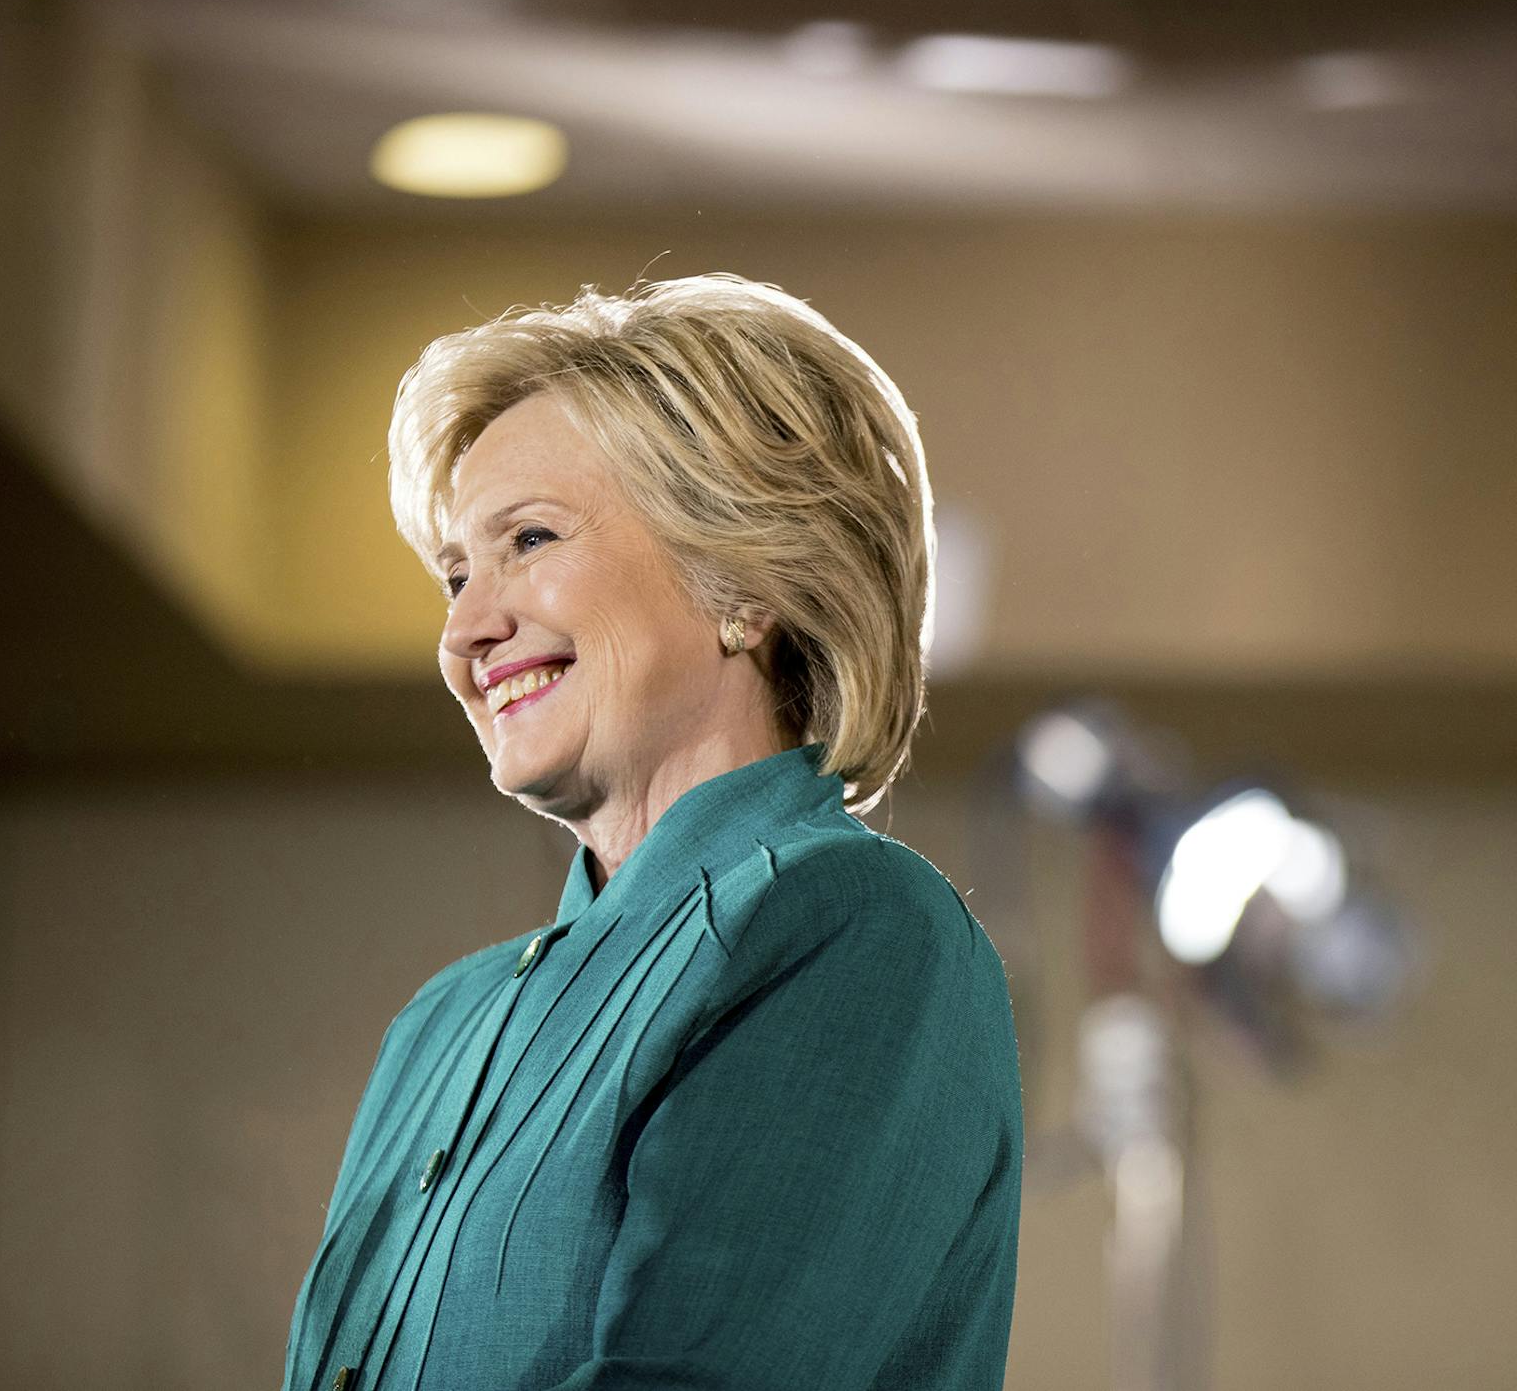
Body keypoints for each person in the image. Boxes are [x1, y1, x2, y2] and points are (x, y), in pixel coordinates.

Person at [279, 273, 1024, 1391]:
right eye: (454, 574)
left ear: (745, 578)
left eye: (528, 539)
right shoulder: (439, 1026)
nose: (468, 629)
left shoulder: (853, 929)